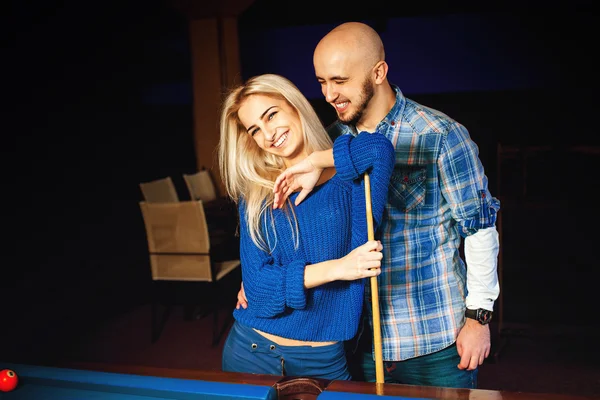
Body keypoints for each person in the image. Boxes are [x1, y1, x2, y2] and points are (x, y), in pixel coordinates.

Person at [269, 22, 501, 388]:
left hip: (433, 342)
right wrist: (259, 277)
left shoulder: (439, 134)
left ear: (378, 72)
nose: (329, 94)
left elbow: (479, 228)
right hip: (356, 340)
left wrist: (478, 318)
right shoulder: (326, 143)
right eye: (321, 82)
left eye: (340, 80)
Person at [218, 73, 395, 380]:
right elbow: (258, 290)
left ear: (294, 105)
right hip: (252, 349)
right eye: (255, 130)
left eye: (271, 115)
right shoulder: (259, 192)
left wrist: (317, 162)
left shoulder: (352, 179)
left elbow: (380, 149)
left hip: (324, 358)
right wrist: (339, 268)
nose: (269, 134)